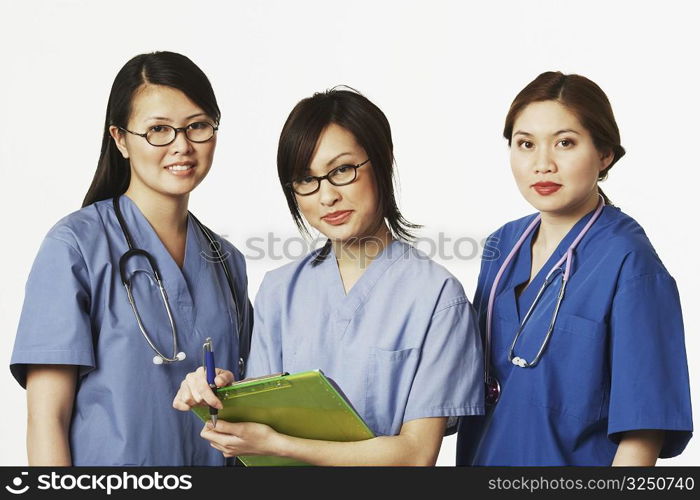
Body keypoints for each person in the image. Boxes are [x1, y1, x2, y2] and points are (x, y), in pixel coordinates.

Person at [173, 88, 484, 466]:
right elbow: (259, 424)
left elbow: (416, 455)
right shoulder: (280, 290)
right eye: (307, 179)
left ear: (383, 160)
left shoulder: (437, 297)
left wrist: (279, 444)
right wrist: (221, 395)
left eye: (341, 170)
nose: (327, 197)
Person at [10, 51, 252, 466]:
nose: (182, 145)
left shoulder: (226, 262)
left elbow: (244, 399)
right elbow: (46, 418)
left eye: (197, 126)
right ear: (120, 139)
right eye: (158, 129)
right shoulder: (75, 246)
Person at [456, 71, 693, 466]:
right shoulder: (502, 247)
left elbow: (642, 436)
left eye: (565, 143)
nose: (542, 164)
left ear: (605, 155)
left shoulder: (629, 262)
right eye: (525, 144)